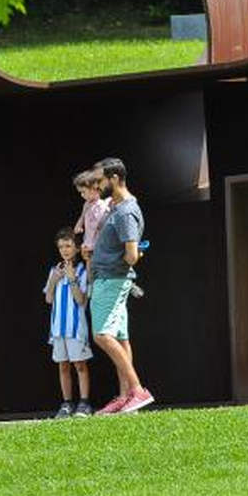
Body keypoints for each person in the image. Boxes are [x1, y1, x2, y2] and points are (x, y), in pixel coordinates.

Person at [87, 158, 155, 415]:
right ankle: (126, 396)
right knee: (120, 337)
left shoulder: (126, 211)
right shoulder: (118, 208)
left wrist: (127, 256)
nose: (98, 185)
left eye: (101, 180)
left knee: (102, 335)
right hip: (110, 278)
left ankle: (137, 391)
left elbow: (131, 254)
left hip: (112, 279)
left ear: (114, 178)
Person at [43, 228, 94, 418]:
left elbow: (81, 300)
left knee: (79, 365)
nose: (64, 250)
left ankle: (84, 403)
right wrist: (54, 280)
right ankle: (66, 403)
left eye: (68, 246)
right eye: (61, 247)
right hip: (57, 329)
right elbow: (48, 299)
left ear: (77, 247)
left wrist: (72, 279)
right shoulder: (54, 270)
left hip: (75, 328)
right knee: (62, 365)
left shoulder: (82, 270)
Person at [72, 170, 111, 268]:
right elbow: (82, 217)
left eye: (83, 192)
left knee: (98, 271)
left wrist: (89, 245)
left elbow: (98, 226)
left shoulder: (102, 206)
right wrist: (79, 225)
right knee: (91, 275)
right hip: (89, 246)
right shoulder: (87, 204)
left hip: (98, 247)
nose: (82, 195)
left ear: (94, 189)